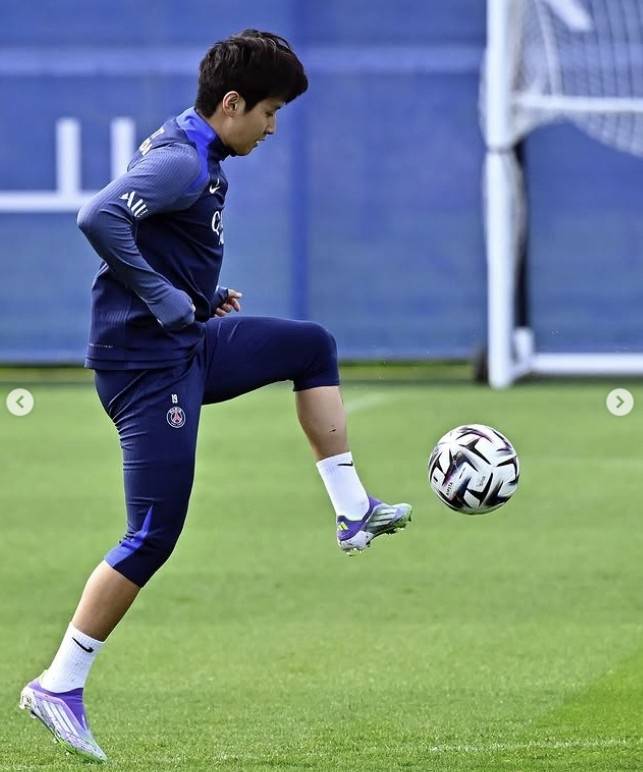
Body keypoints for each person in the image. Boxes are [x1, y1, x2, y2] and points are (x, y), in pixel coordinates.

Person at [19, 30, 412, 763]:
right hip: (145, 369)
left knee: (310, 345)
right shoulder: (180, 160)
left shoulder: (197, 149)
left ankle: (352, 510)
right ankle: (57, 685)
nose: (272, 127)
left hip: (186, 344)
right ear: (231, 103)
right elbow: (98, 217)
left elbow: (157, 238)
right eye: (269, 111)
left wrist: (200, 295)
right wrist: (163, 294)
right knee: (152, 534)